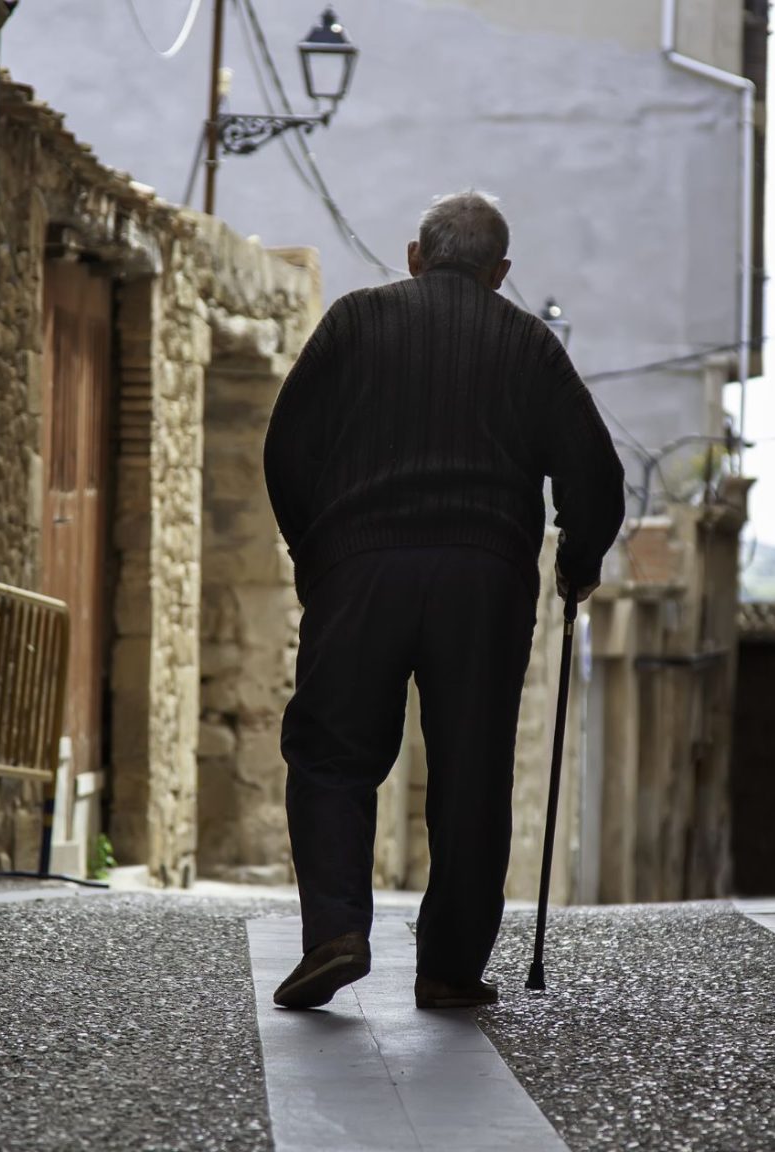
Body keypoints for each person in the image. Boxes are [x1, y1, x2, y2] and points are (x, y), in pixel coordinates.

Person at [263, 191, 626, 1011]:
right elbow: (595, 473)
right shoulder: (529, 345)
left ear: (415, 255)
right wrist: (577, 557)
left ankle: (336, 934)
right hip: (485, 581)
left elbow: (287, 444)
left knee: (329, 754)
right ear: (500, 274)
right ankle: (450, 968)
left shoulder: (356, 322)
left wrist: (312, 548)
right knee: (472, 769)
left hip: (359, 572)